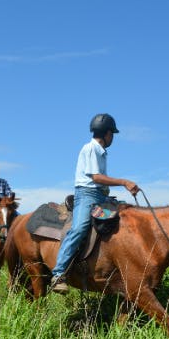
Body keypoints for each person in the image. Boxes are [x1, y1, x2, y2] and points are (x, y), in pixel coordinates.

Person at [50, 113, 140, 294]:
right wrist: (124, 182)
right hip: (87, 195)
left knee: (124, 213)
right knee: (80, 228)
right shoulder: (91, 148)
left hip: (101, 196)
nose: (112, 137)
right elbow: (96, 177)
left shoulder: (101, 152)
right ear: (107, 133)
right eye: (112, 134)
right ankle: (58, 273)